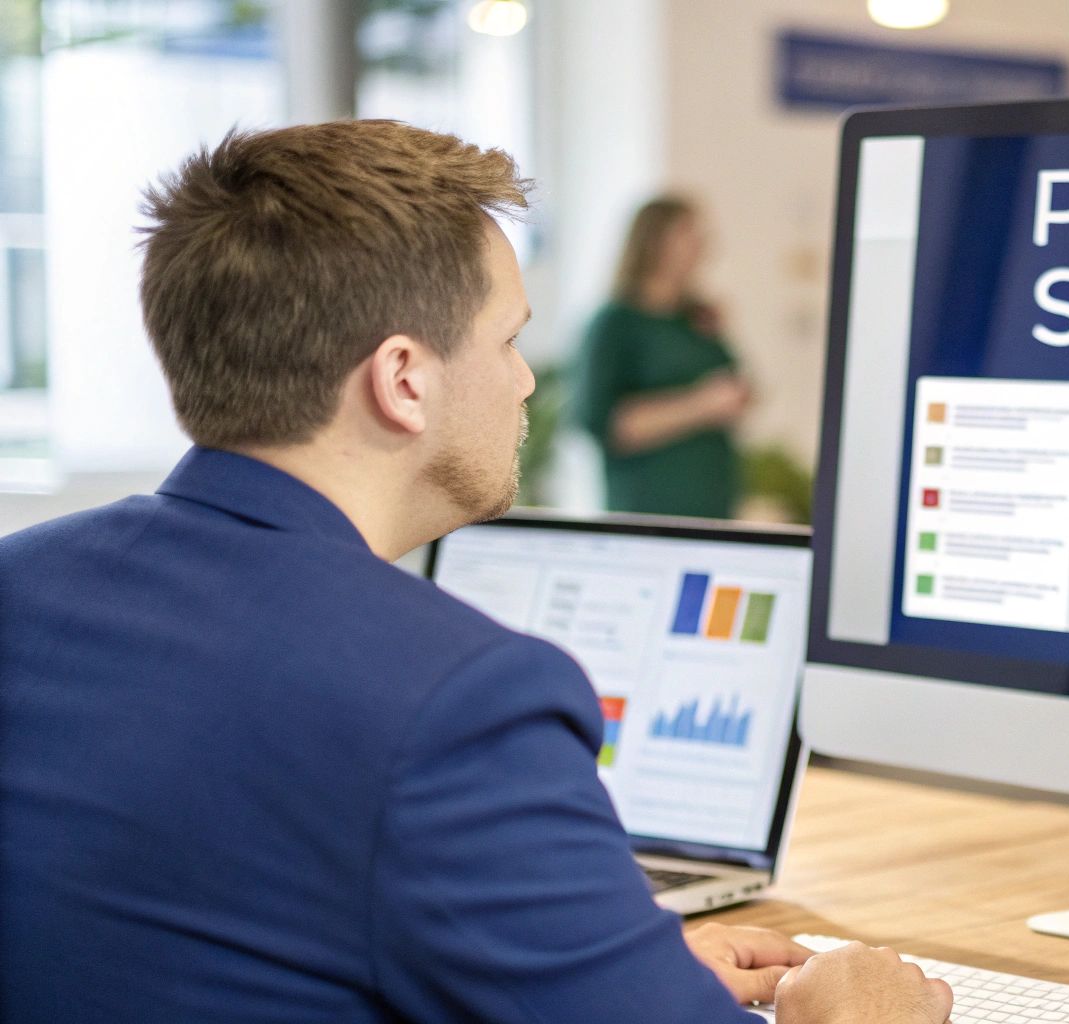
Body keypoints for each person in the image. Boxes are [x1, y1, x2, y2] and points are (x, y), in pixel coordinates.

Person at [0, 121, 949, 1024]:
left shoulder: (22, 586)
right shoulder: (458, 698)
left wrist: (612, 970)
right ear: (404, 379)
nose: (527, 381)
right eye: (508, 341)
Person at [573, 195, 751, 518]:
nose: (700, 243)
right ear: (653, 241)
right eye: (687, 232)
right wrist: (700, 405)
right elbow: (602, 422)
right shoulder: (616, 323)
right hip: (648, 511)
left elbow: (737, 388)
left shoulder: (696, 320)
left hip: (713, 507)